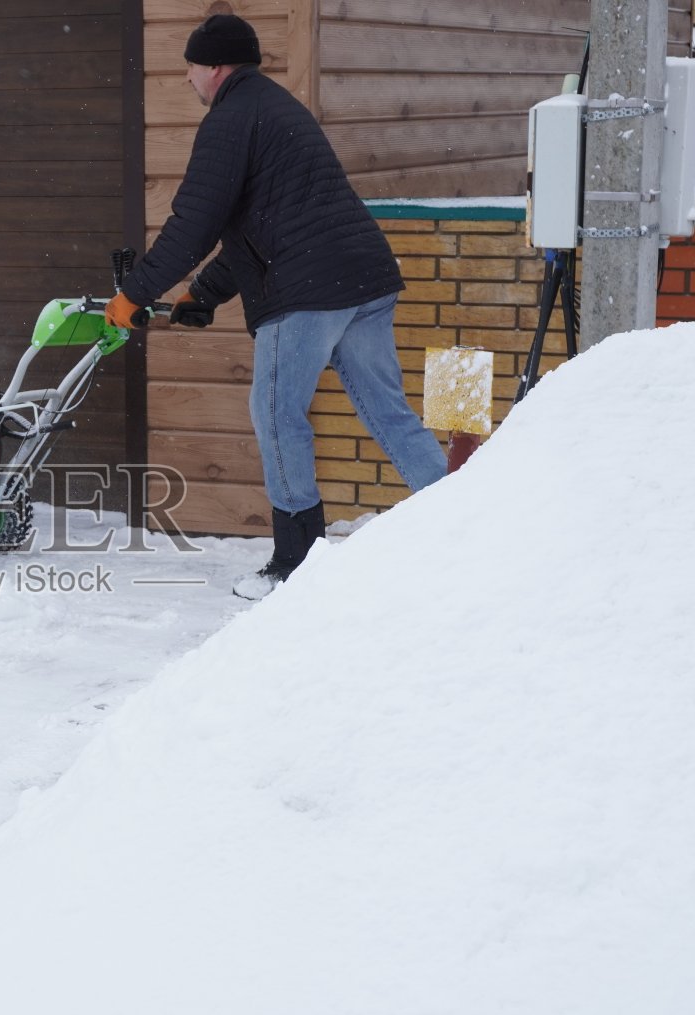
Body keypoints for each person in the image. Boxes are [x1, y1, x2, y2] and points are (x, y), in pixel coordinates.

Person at [105, 13, 447, 600]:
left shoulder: (229, 121)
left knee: (276, 416)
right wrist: (201, 296)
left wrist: (135, 293)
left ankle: (296, 562)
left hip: (308, 295)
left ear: (214, 66)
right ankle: (461, 522)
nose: (186, 78)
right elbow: (263, 223)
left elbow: (194, 223)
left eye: (189, 65)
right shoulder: (275, 108)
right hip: (363, 281)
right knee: (388, 413)